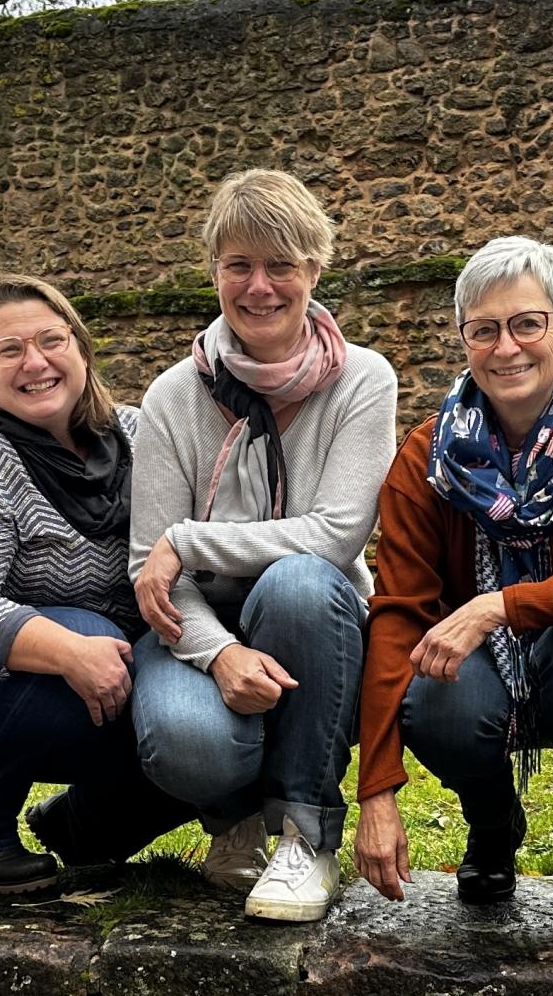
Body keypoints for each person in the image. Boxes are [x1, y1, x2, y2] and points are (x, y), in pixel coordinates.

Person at [353, 237, 553, 923]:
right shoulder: (427, 458)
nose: (507, 348)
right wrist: (376, 790)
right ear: (464, 340)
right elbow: (398, 615)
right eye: (484, 330)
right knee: (436, 695)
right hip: (478, 676)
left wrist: (497, 606)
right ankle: (493, 823)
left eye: (528, 323)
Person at [128, 169, 397, 922]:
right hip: (197, 621)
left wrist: (190, 538)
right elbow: (148, 570)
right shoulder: (173, 397)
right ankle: (234, 818)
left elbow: (338, 532)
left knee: (301, 585)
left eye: (282, 265)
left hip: (318, 623)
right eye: (238, 265)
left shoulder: (363, 380)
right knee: (188, 742)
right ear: (213, 271)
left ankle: (301, 838)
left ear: (314, 270)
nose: (260, 287)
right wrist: (220, 654)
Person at [0, 276, 194, 892]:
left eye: (51, 340)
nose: (34, 362)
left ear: (81, 350)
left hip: (107, 679)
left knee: (204, 730)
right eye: (9, 350)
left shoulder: (141, 436)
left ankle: (87, 828)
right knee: (88, 629)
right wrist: (71, 651)